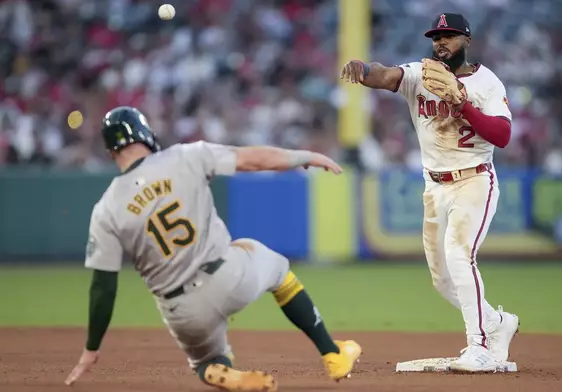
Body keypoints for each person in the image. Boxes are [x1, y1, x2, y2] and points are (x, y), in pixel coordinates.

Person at [64, 106, 361, 391]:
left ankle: (222, 371)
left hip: (181, 311)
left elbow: (103, 287)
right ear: (145, 134)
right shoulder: (183, 156)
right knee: (277, 269)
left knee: (204, 361)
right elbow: (253, 160)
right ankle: (332, 354)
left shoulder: (106, 208)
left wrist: (91, 348)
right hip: (227, 276)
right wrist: (303, 156)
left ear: (111, 151)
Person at [340, 13, 519, 372]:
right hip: (434, 185)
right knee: (442, 280)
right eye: (437, 37)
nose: (441, 42)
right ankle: (498, 324)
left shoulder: (487, 83)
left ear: (466, 40)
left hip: (474, 179)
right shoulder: (420, 74)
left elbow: (502, 136)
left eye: (449, 36)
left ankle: (479, 346)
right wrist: (362, 68)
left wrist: (463, 104)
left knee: (458, 254)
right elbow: (385, 74)